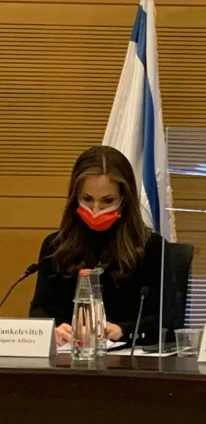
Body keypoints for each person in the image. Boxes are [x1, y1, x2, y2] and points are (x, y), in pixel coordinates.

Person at [29, 146, 163, 347]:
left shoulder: (150, 247)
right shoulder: (55, 246)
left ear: (124, 200)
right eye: (87, 199)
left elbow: (165, 322)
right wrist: (52, 331)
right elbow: (39, 312)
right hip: (68, 362)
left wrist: (123, 330)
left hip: (131, 364)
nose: (95, 210)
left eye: (107, 200)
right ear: (75, 198)